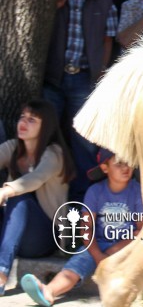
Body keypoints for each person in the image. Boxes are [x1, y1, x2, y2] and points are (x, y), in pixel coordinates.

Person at [19, 149, 143, 306]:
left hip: (126, 245)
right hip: (96, 244)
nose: (126, 167)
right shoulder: (95, 191)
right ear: (105, 168)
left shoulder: (137, 191)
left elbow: (141, 230)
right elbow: (86, 229)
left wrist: (113, 251)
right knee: (76, 266)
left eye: (128, 162)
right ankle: (48, 291)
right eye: (119, 164)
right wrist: (98, 255)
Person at [43, 0, 117, 201]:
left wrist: (100, 73)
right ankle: (44, 192)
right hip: (52, 78)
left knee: (84, 139)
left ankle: (83, 199)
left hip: (84, 78)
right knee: (46, 134)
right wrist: (53, 8)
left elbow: (108, 39)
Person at [0, 100, 74, 294]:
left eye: (32, 120)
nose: (23, 122)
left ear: (46, 127)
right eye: (22, 117)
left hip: (44, 237)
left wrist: (5, 190)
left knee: (17, 198)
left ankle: (1, 275)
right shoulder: (13, 147)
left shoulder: (54, 154)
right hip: (13, 233)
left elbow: (34, 179)